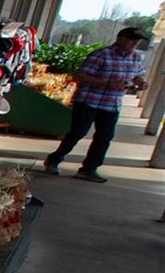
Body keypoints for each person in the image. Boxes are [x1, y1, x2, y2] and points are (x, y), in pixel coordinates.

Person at [43, 27, 149, 183]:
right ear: (120, 38)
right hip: (88, 100)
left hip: (112, 103)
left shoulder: (135, 58)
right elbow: (80, 75)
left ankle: (89, 169)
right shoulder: (101, 54)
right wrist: (106, 83)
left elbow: (137, 75)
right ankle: (54, 160)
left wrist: (141, 83)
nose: (135, 43)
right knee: (78, 132)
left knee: (104, 137)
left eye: (137, 40)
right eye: (132, 39)